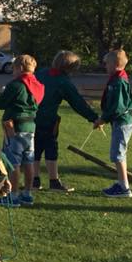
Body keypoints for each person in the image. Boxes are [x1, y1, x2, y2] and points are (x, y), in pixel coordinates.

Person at [33, 51, 99, 192]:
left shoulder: (41, 73)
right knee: (51, 149)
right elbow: (77, 103)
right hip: (48, 120)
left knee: (35, 149)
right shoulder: (63, 82)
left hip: (31, 118)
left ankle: (34, 180)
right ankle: (54, 181)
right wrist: (94, 117)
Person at [0, 54, 44, 206]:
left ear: (20, 68)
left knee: (13, 162)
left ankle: (13, 195)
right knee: (28, 161)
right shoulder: (38, 85)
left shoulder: (16, 85)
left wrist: (4, 94)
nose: (13, 72)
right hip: (30, 127)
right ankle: (27, 193)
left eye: (14, 68)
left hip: (14, 127)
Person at [95, 48, 132, 198]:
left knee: (117, 154)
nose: (105, 66)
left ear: (115, 64)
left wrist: (103, 119)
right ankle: (121, 183)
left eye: (107, 64)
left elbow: (117, 107)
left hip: (122, 123)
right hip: (119, 122)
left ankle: (124, 188)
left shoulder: (119, 81)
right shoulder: (117, 79)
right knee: (118, 154)